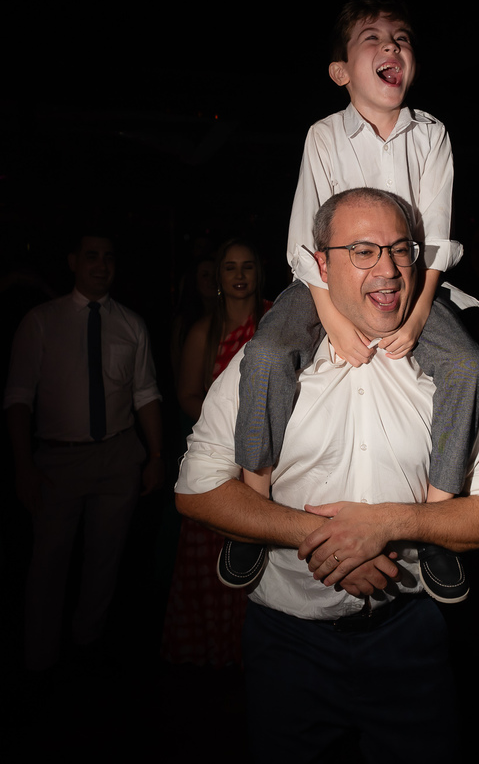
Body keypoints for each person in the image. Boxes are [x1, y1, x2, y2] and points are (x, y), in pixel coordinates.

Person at [176, 188, 479, 762]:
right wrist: (332, 540)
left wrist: (387, 525)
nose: (387, 270)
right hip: (289, 642)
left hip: (410, 636)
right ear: (319, 264)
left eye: (399, 250)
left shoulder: (450, 372)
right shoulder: (266, 361)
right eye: (362, 251)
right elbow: (198, 491)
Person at [226, 0, 479, 604]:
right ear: (342, 71)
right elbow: (300, 241)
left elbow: (439, 239)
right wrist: (332, 321)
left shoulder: (432, 135)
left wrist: (420, 312)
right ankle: (254, 510)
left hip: (411, 285)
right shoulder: (323, 135)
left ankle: (437, 529)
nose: (391, 46)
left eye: (401, 37)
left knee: (468, 367)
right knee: (265, 355)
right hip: (324, 284)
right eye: (371, 38)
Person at [4, 233, 164, 673]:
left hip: (117, 455)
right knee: (48, 562)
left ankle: (87, 646)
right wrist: (23, 465)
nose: (101, 265)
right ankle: (39, 659)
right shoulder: (41, 321)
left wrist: (154, 456)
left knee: (105, 560)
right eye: (91, 256)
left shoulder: (131, 324)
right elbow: (18, 398)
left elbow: (146, 393)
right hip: (58, 460)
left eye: (108, 257)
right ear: (73, 261)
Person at [162, 239, 268, 667]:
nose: (239, 275)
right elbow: (187, 395)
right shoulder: (205, 331)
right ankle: (213, 660)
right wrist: (229, 430)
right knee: (213, 559)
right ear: (218, 277)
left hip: (270, 461)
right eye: (229, 268)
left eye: (246, 267)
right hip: (221, 460)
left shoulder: (279, 318)